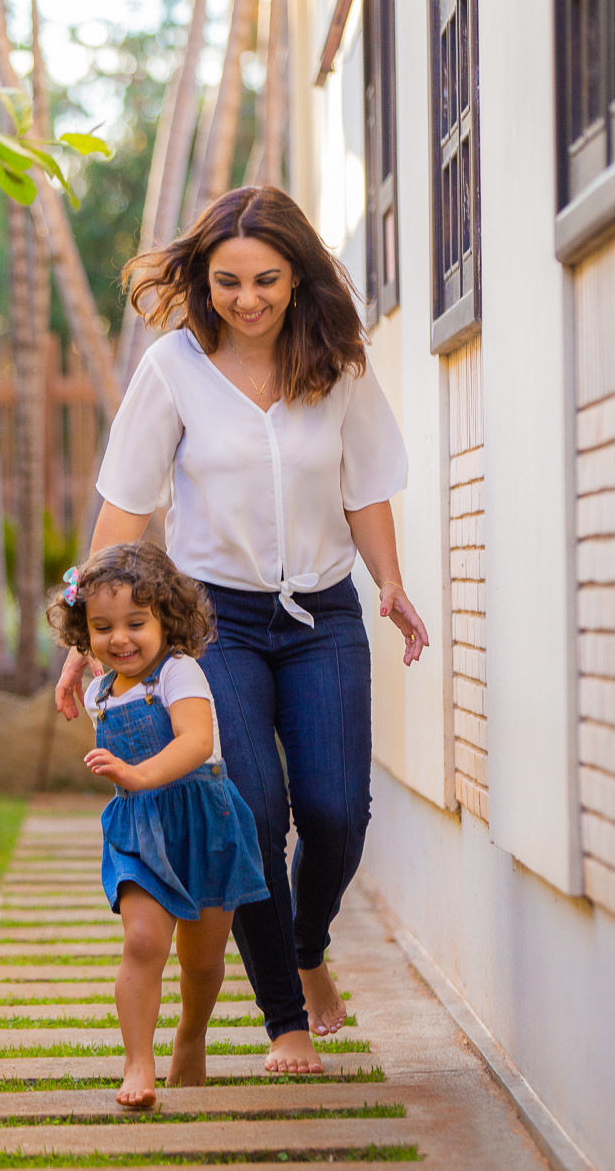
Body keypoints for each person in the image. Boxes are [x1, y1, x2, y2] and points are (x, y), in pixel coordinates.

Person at [56, 185, 428, 1079]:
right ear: (202, 278)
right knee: (256, 813)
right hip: (213, 621)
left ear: (297, 276)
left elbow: (363, 483)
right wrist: (80, 636)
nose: (247, 299)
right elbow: (126, 506)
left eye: (265, 279)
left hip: (322, 612)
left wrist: (390, 584)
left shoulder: (337, 362)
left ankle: (306, 945)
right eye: (227, 282)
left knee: (336, 815)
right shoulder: (173, 367)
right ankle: (285, 1020)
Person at [46, 542, 270, 1109]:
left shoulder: (180, 673)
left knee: (201, 961)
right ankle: (137, 1064)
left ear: (167, 621)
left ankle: (190, 1037)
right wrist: (133, 781)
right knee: (143, 942)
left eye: (135, 623)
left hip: (204, 821)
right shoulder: (99, 691)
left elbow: (195, 741)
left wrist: (140, 773)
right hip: (138, 828)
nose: (119, 638)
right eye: (101, 627)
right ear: (84, 635)